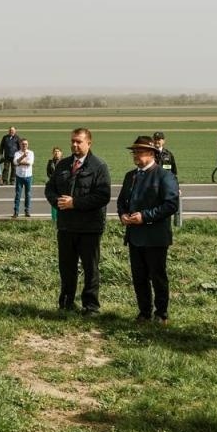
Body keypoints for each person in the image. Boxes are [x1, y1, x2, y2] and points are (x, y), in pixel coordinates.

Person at [45, 128, 112, 315]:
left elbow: (103, 196)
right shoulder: (63, 165)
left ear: (89, 143)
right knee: (66, 267)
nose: (74, 145)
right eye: (72, 141)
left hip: (89, 227)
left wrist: (75, 203)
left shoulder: (99, 167)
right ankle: (66, 303)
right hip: (66, 226)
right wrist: (57, 202)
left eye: (79, 142)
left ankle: (91, 306)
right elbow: (50, 188)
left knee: (90, 268)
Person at [118, 135, 178, 323]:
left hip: (155, 236)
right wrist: (123, 215)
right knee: (139, 277)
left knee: (157, 277)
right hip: (135, 236)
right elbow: (121, 201)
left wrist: (145, 216)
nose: (136, 155)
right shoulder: (131, 176)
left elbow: (171, 205)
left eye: (140, 152)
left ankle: (161, 313)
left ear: (152, 153)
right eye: (134, 152)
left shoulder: (164, 176)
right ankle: (144, 312)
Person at [12, 138, 35, 218]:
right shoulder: (17, 153)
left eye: (26, 144)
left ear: (27, 145)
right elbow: (15, 162)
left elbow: (30, 163)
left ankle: (27, 211)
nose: (24, 145)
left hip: (28, 176)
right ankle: (16, 211)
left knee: (28, 195)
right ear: (20, 145)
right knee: (18, 195)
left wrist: (20, 162)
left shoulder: (31, 153)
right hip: (19, 176)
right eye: (23, 144)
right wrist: (23, 157)